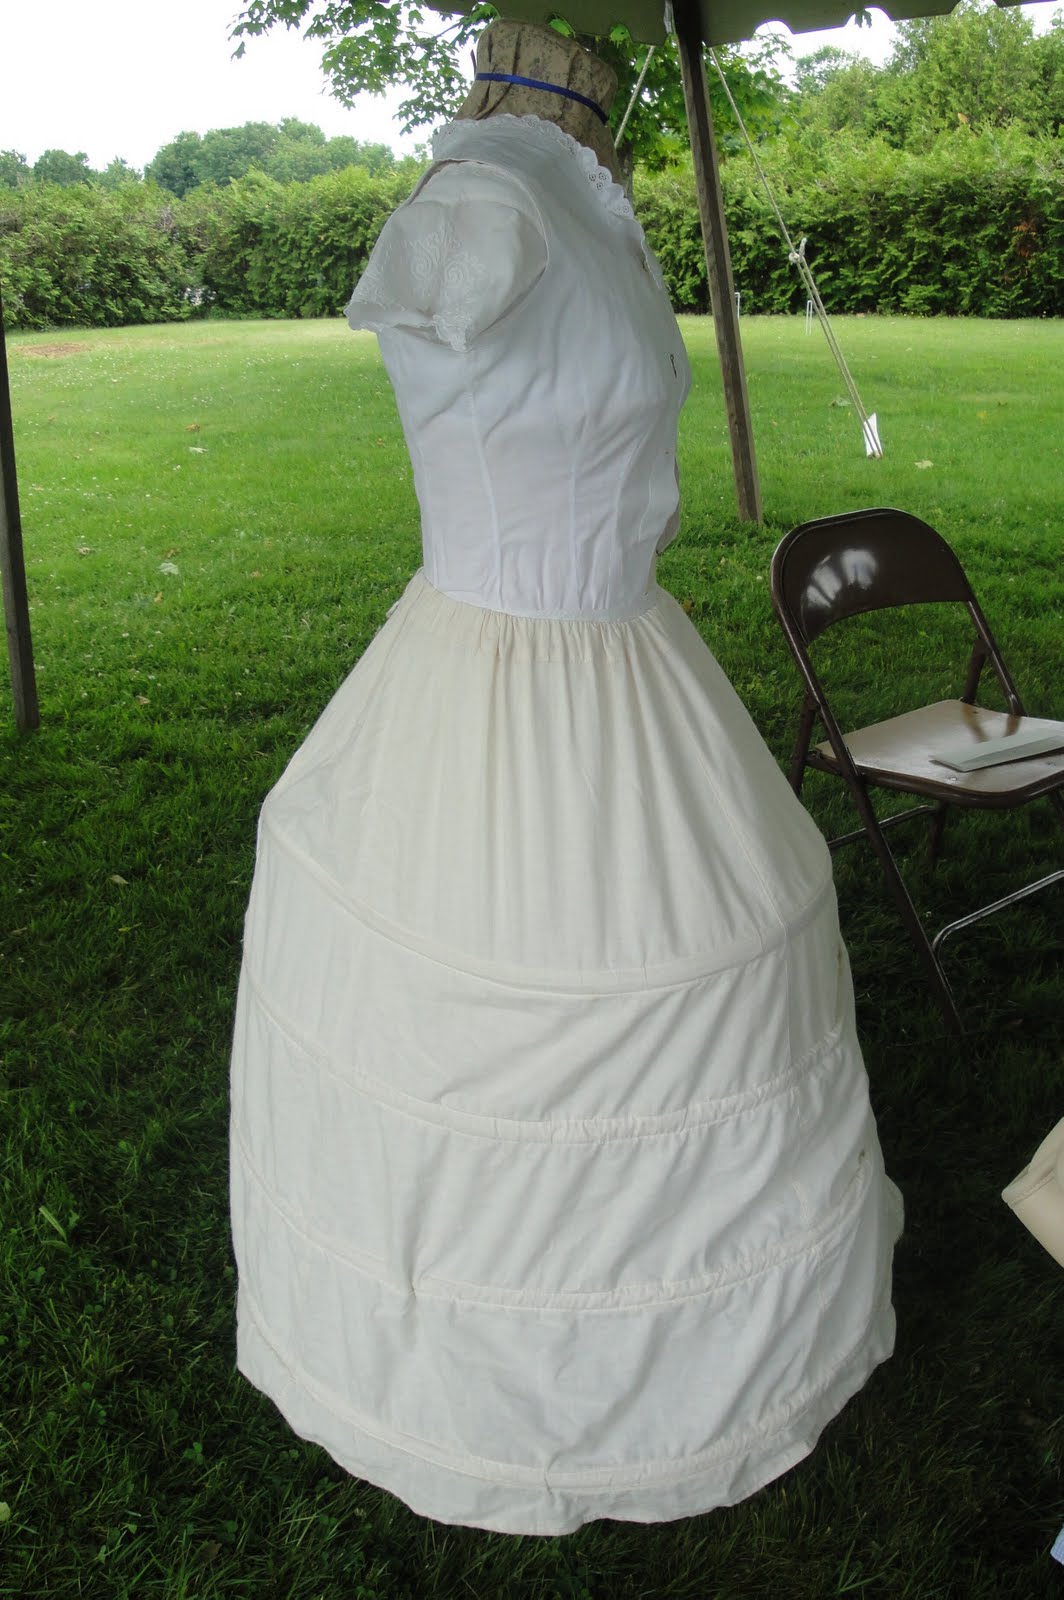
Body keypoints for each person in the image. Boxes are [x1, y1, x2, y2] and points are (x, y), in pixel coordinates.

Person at [229, 18, 903, 1536]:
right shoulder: (477, 205)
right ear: (550, 80)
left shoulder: (591, 200)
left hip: (629, 659)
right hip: (483, 673)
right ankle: (467, 1372)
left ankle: (695, 1346)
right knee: (494, 999)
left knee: (698, 949)